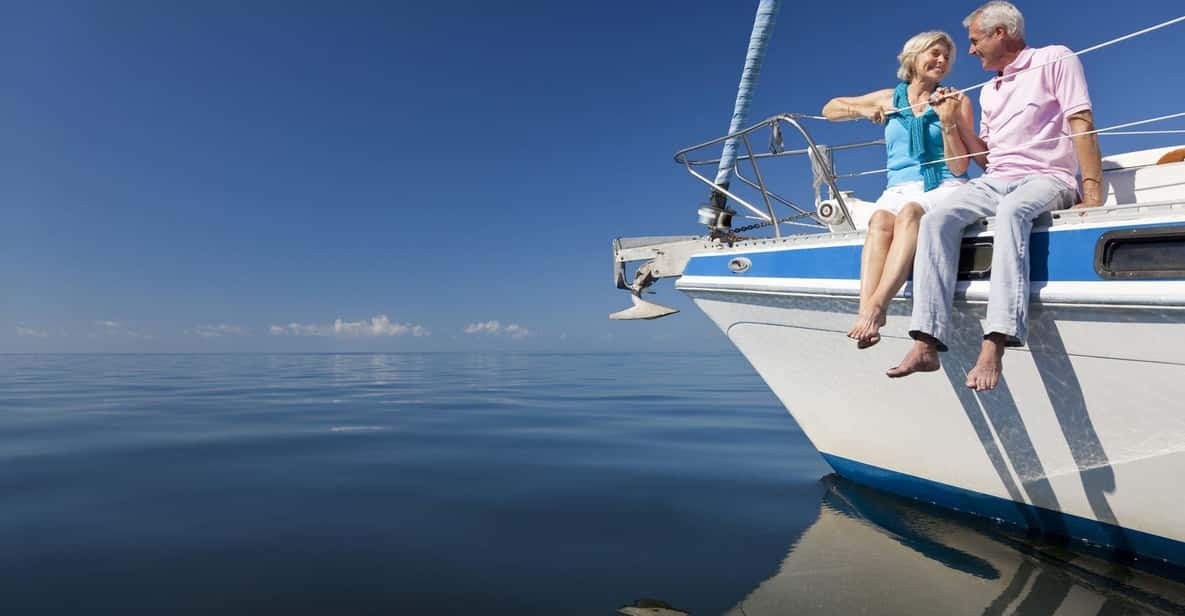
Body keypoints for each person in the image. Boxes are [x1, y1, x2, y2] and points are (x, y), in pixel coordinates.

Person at [887, 1, 1103, 390]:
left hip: (1046, 176)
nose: (969, 51)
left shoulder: (1054, 58)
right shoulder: (989, 90)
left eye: (974, 41)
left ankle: (995, 342)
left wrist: (1092, 194)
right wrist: (951, 121)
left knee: (1013, 213)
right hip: (996, 179)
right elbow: (986, 159)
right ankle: (926, 343)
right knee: (935, 220)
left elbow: (1081, 120)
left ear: (999, 33)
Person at [822, 31, 976, 348]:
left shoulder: (956, 100)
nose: (942, 61)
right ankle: (865, 309)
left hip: (944, 182)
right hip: (899, 185)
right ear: (913, 57)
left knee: (909, 214)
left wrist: (947, 122)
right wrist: (861, 111)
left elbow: (961, 167)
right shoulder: (887, 97)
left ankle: (877, 308)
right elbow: (830, 108)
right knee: (879, 222)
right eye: (934, 53)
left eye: (947, 57)